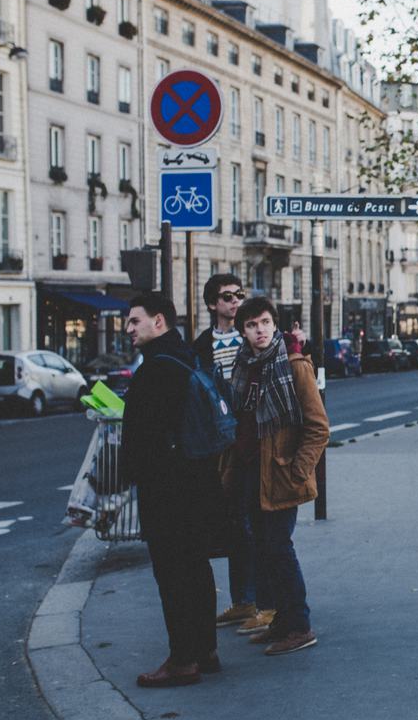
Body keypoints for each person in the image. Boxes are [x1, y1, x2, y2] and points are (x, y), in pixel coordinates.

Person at [120, 292, 220, 688]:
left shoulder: (156, 370)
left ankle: (182, 659)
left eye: (134, 321)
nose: (128, 329)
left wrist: (134, 472)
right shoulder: (187, 356)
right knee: (196, 568)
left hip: (169, 489)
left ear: (158, 322)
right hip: (198, 480)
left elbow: (148, 436)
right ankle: (205, 649)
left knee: (173, 573)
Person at [220, 296, 329, 656]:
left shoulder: (294, 366)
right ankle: (282, 621)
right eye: (252, 325)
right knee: (264, 551)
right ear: (243, 332)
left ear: (275, 324)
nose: (260, 330)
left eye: (265, 322)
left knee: (280, 549)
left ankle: (299, 625)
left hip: (281, 474)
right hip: (251, 471)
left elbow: (318, 427)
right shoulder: (244, 365)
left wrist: (298, 470)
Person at [192, 273, 259, 631]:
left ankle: (259, 601)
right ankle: (242, 601)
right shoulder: (201, 347)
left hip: (250, 439)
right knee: (234, 525)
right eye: (227, 297)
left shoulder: (253, 336)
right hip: (219, 446)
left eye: (238, 295)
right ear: (212, 304)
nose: (234, 301)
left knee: (252, 524)